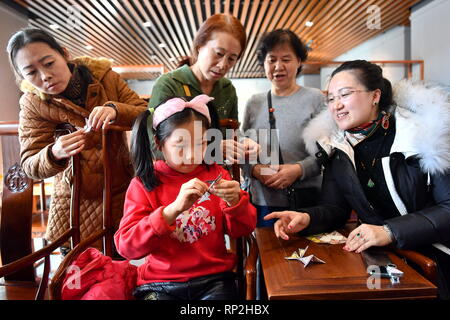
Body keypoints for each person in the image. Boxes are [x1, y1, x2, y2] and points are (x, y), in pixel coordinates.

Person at [265, 60, 450, 299]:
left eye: (345, 94)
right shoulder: (338, 145)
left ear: (375, 95)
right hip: (386, 258)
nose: (336, 105)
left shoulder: (425, 137)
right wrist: (306, 218)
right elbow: (336, 208)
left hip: (434, 259)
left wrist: (389, 231)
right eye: (330, 98)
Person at [7, 27, 147, 251]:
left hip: (119, 194)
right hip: (72, 207)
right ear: (23, 77)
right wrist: (54, 153)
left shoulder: (105, 77)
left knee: (122, 274)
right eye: (31, 72)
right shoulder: (34, 103)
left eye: (49, 63)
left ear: (64, 53)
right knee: (77, 279)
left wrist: (115, 110)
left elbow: (144, 112)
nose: (45, 76)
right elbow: (30, 165)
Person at [114, 95, 256, 300]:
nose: (191, 155)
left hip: (214, 280)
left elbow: (244, 229)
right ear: (159, 143)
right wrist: (173, 209)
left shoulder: (217, 174)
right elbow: (127, 247)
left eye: (201, 144)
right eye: (180, 145)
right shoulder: (144, 184)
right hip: (160, 282)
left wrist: (236, 203)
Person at [241, 29, 325, 227]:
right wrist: (255, 170)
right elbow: (242, 150)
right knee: (269, 254)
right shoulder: (254, 103)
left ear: (299, 61)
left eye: (286, 59)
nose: (278, 66)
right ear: (263, 63)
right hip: (264, 202)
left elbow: (329, 152)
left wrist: (298, 170)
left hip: (307, 200)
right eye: (272, 60)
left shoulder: (315, 99)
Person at [149, 13, 258, 164]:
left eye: (232, 59)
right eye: (218, 54)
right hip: (178, 180)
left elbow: (230, 135)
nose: (223, 65)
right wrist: (212, 148)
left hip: (217, 178)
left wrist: (243, 143)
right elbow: (152, 144)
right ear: (199, 46)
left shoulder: (227, 89)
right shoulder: (169, 84)